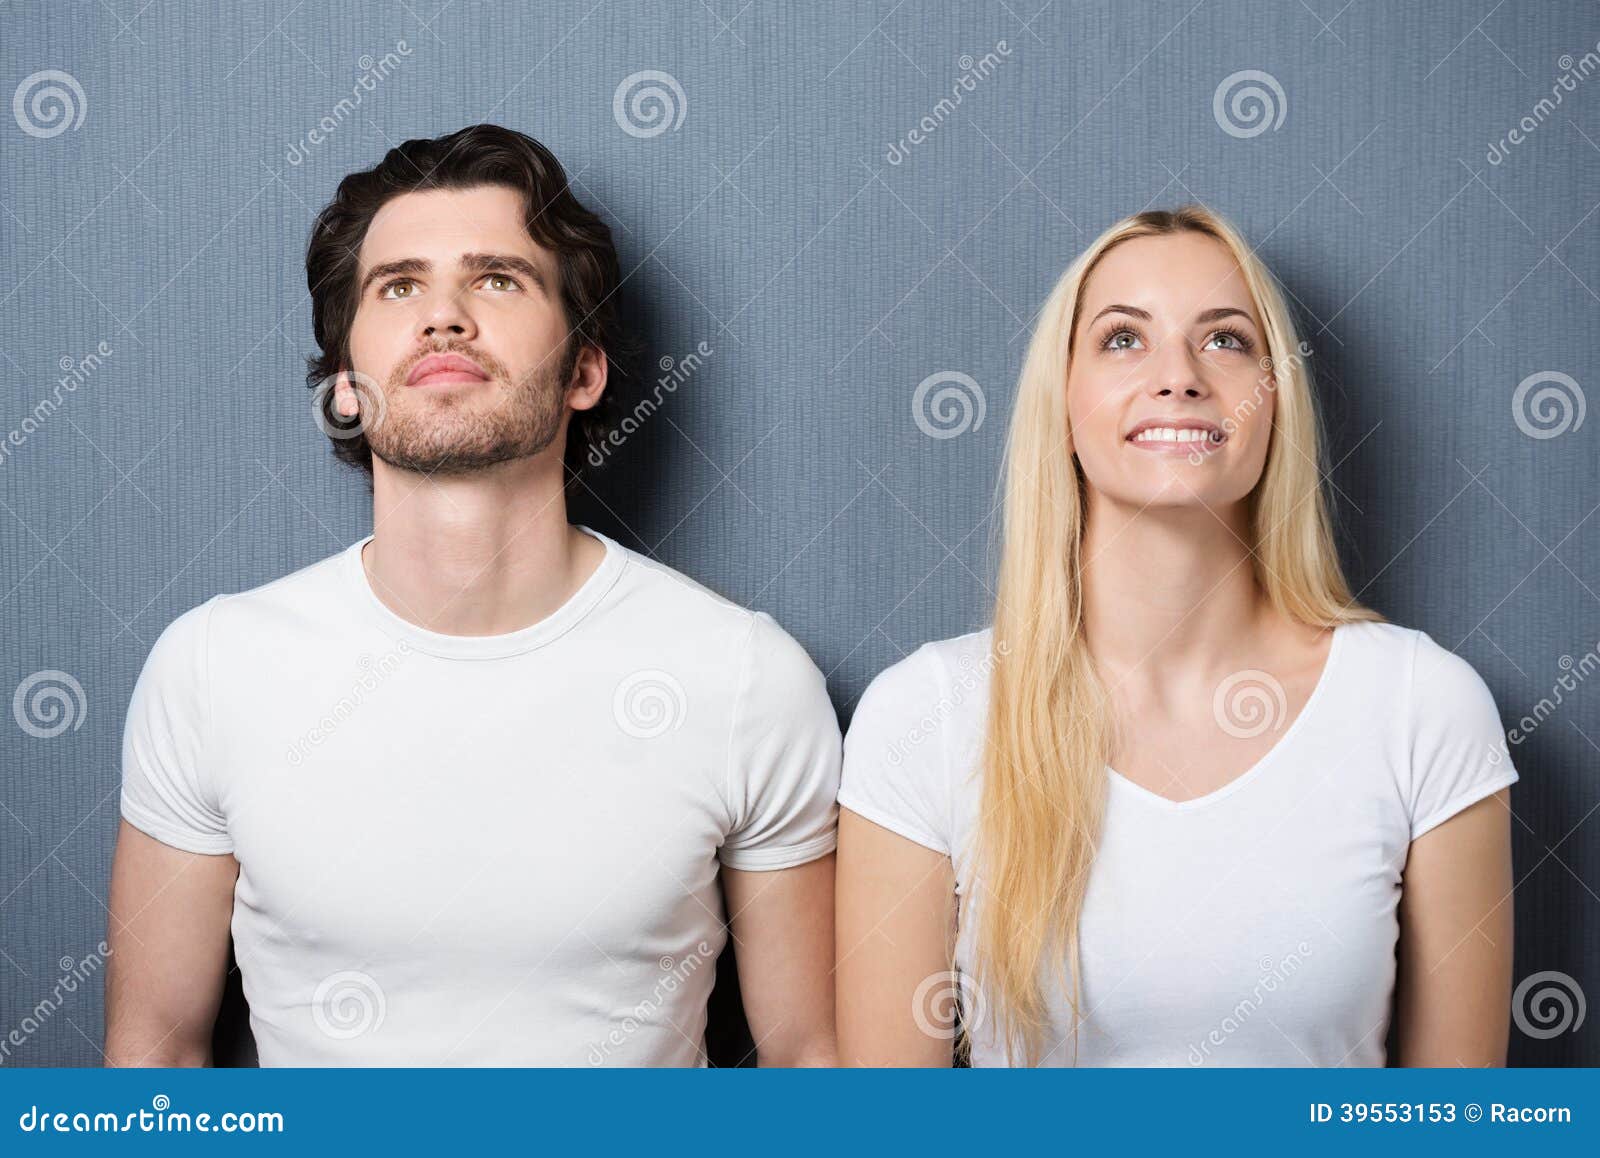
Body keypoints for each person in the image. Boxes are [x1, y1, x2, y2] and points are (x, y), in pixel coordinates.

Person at [105, 124, 839, 1067]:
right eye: (399, 285)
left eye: (497, 278)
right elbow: (150, 1064)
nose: (443, 317)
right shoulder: (213, 669)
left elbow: (813, 1076)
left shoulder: (746, 678)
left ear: (584, 371)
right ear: (344, 387)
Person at [835, 205, 1517, 1067]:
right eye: (1123, 339)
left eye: (1227, 341)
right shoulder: (922, 718)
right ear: (1064, 400)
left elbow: (1454, 1127)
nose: (1180, 376)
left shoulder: (1425, 707)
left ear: (1277, 401)